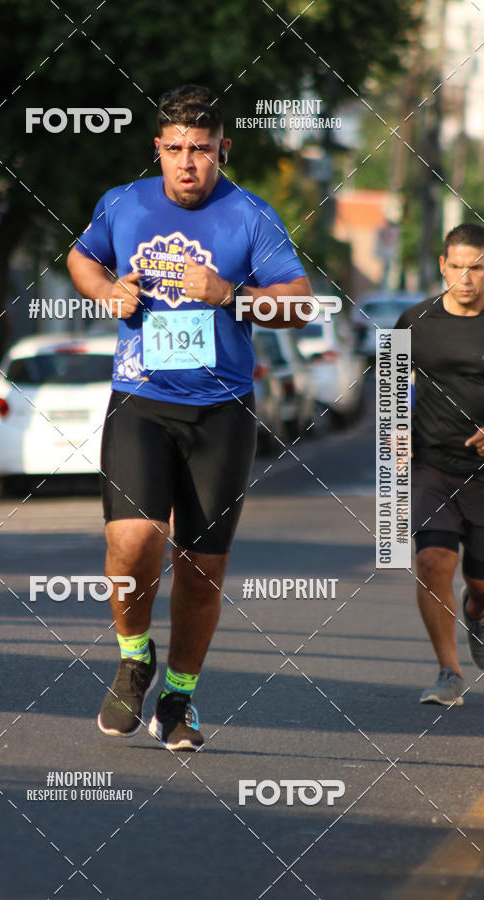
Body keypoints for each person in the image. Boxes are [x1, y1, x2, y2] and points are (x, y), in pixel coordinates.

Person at [67, 84, 311, 750]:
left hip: (222, 411)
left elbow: (300, 303)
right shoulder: (124, 203)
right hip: (141, 399)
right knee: (134, 542)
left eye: (201, 149)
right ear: (158, 149)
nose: (187, 162)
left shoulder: (251, 217)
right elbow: (82, 257)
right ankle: (132, 654)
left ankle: (178, 700)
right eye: (175, 148)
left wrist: (233, 294)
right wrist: (106, 290)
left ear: (221, 149)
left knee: (202, 568)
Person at [395, 223, 484, 705]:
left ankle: (477, 610)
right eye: (457, 267)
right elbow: (387, 389)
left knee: (480, 581)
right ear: (442, 267)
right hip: (432, 466)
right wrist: (395, 436)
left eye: (477, 268)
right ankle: (449, 672)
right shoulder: (413, 321)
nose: (466, 279)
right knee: (431, 562)